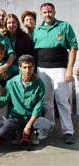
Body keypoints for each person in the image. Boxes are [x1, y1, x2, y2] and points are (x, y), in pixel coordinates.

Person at [0, 54, 54, 145]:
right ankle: (18, 133)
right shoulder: (11, 83)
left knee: (48, 126)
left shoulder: (39, 83)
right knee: (2, 131)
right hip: (16, 117)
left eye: (29, 67)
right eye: (24, 67)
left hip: (32, 117)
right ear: (20, 68)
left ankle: (32, 132)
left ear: (33, 67)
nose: (27, 70)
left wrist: (28, 125)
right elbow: (2, 102)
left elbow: (38, 107)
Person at [32, 3, 78, 144]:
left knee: (62, 101)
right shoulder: (37, 30)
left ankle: (68, 131)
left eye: (50, 11)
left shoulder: (64, 26)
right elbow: (34, 52)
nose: (47, 14)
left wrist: (70, 69)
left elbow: (73, 47)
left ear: (54, 12)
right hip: (42, 69)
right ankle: (49, 127)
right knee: (46, 101)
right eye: (44, 12)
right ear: (41, 14)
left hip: (60, 69)